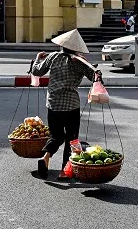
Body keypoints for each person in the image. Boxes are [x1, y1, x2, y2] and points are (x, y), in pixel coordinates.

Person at [31, 30, 101, 180]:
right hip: (71, 105)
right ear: (75, 47)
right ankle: (65, 171)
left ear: (62, 45)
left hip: (54, 104)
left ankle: (46, 157)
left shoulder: (53, 57)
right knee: (72, 139)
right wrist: (88, 64)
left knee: (56, 136)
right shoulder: (78, 61)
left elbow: (36, 71)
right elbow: (95, 76)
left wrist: (37, 58)